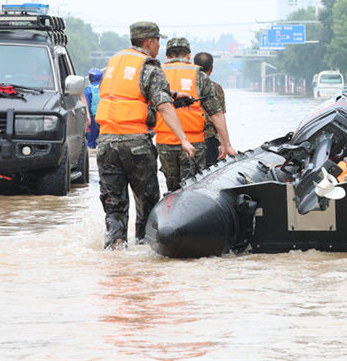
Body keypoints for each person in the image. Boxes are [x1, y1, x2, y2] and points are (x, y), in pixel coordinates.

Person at [95, 22, 196, 251]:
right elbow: (164, 106)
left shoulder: (115, 63)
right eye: (158, 41)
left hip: (106, 144)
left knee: (114, 205)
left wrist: (173, 94)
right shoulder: (149, 65)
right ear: (150, 41)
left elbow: (126, 94)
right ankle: (145, 248)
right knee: (148, 202)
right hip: (135, 144)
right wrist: (183, 139)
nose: (159, 46)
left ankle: (116, 248)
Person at [155, 38, 237, 191]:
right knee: (192, 191)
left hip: (164, 143)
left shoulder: (156, 74)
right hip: (193, 144)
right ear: (188, 55)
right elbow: (216, 113)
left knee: (172, 190)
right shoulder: (198, 75)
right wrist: (226, 145)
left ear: (167, 56)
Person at [193, 51, 226, 167]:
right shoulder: (217, 88)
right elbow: (219, 115)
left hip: (190, 137)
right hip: (210, 139)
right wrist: (225, 144)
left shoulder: (186, 86)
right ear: (211, 68)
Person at [84, 68, 103, 149]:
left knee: (91, 141)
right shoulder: (104, 88)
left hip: (93, 117)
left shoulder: (88, 90)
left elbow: (86, 104)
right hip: (105, 117)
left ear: (90, 78)